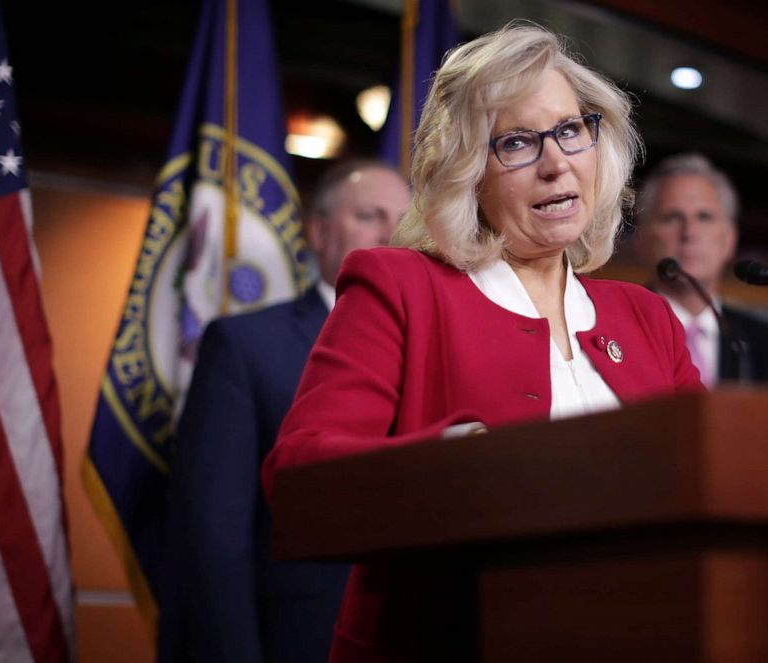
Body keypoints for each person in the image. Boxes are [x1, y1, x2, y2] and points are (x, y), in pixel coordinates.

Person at [261, 22, 703, 663]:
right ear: (469, 171)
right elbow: (299, 476)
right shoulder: (402, 287)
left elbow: (708, 478)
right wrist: (457, 461)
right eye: (517, 143)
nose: (556, 162)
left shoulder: (647, 318)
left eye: (570, 130)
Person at [159, 160, 411, 663]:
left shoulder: (432, 343)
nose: (391, 234)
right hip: (299, 640)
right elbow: (215, 536)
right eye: (369, 216)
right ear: (318, 232)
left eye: (404, 221)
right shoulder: (245, 345)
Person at [634, 153, 768, 388]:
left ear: (730, 240)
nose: (690, 233)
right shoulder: (613, 333)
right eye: (672, 218)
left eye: (705, 217)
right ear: (641, 239)